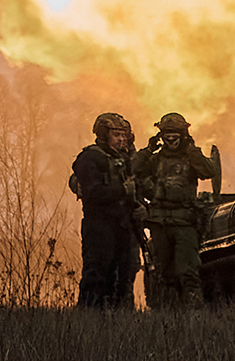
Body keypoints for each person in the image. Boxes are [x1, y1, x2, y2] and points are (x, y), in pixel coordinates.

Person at [133, 113, 218, 308]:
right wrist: (147, 150)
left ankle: (194, 317)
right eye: (167, 134)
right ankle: (167, 316)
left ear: (183, 134)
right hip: (159, 223)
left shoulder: (190, 158)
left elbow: (209, 171)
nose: (171, 139)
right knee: (164, 273)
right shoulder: (154, 160)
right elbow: (132, 169)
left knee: (188, 272)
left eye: (175, 134)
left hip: (184, 223)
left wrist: (192, 150)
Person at [71, 112, 140, 308]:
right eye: (116, 135)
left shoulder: (125, 160)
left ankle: (116, 319)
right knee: (96, 275)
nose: (121, 139)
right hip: (99, 225)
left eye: (123, 135)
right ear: (103, 135)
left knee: (122, 276)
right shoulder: (91, 158)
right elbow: (93, 193)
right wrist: (122, 190)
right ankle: (90, 320)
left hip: (122, 225)